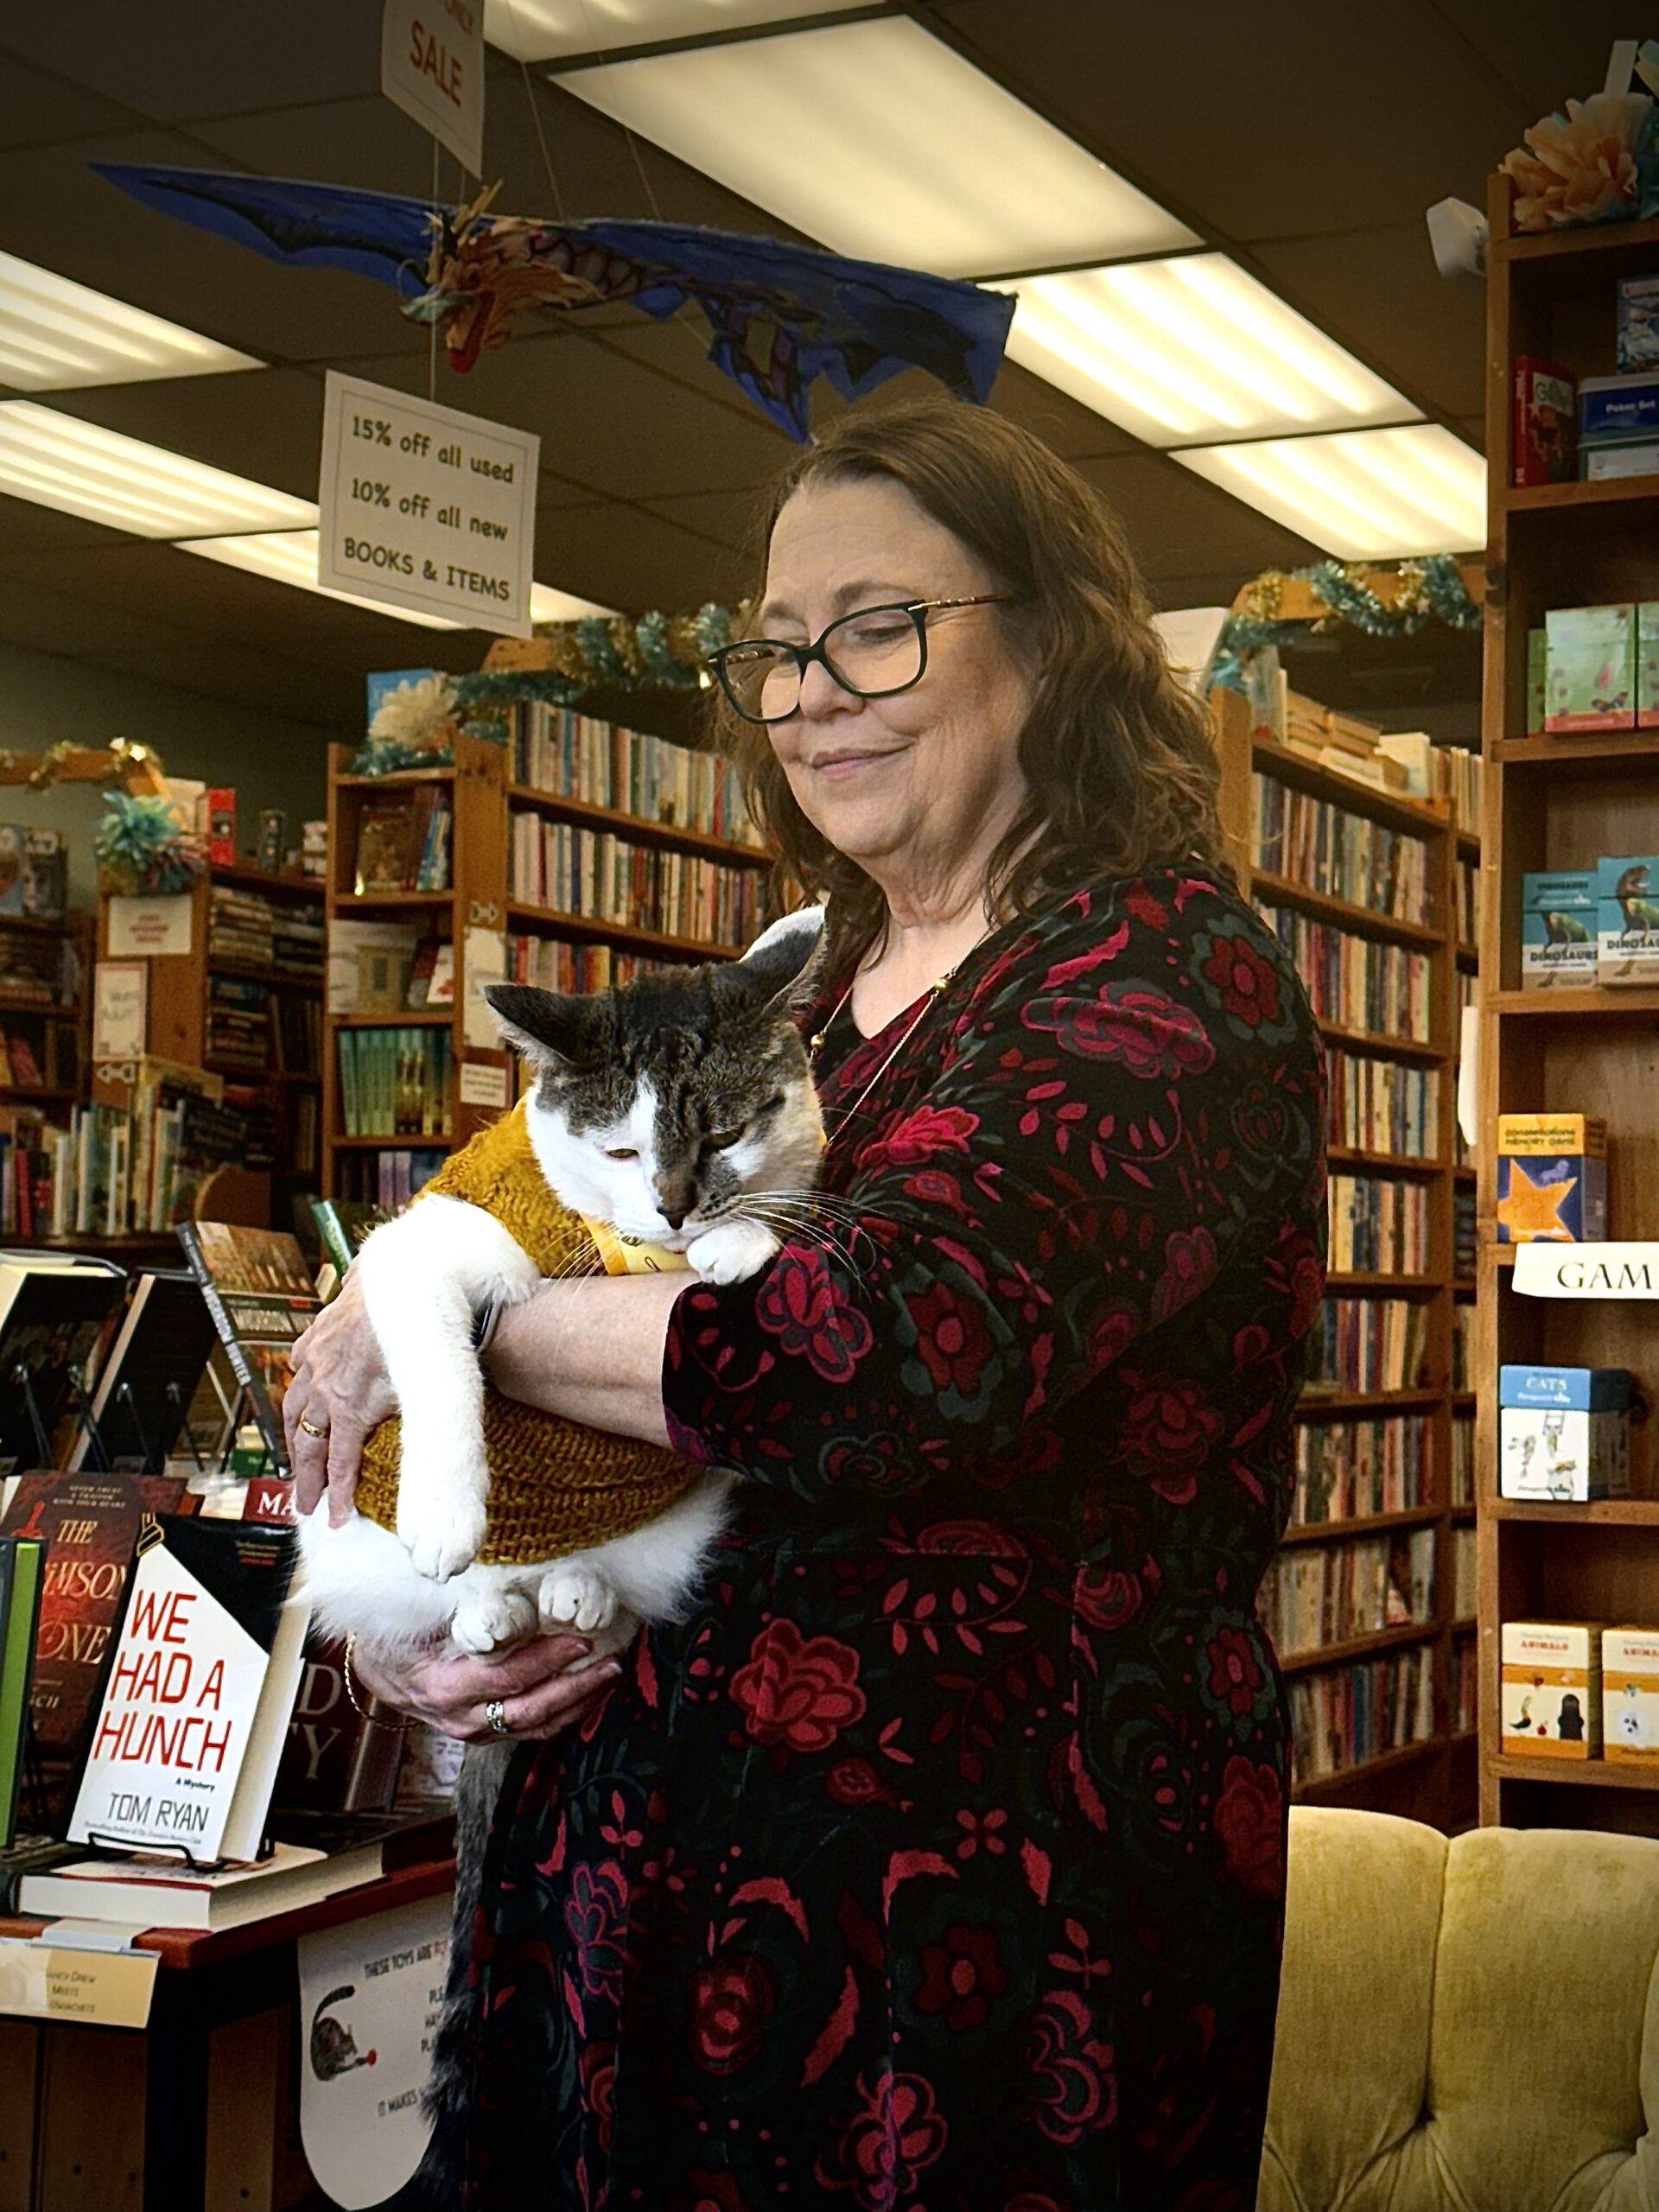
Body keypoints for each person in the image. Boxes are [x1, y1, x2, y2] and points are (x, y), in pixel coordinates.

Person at [285, 395, 1326, 2210]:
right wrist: (416, 1641)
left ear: (1059, 639)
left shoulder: (1162, 969)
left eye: (877, 624)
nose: (810, 689)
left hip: (963, 1966)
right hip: (615, 1940)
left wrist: (444, 1315)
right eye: (777, 647)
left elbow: (875, 1349)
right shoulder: (802, 982)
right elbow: (470, 1312)